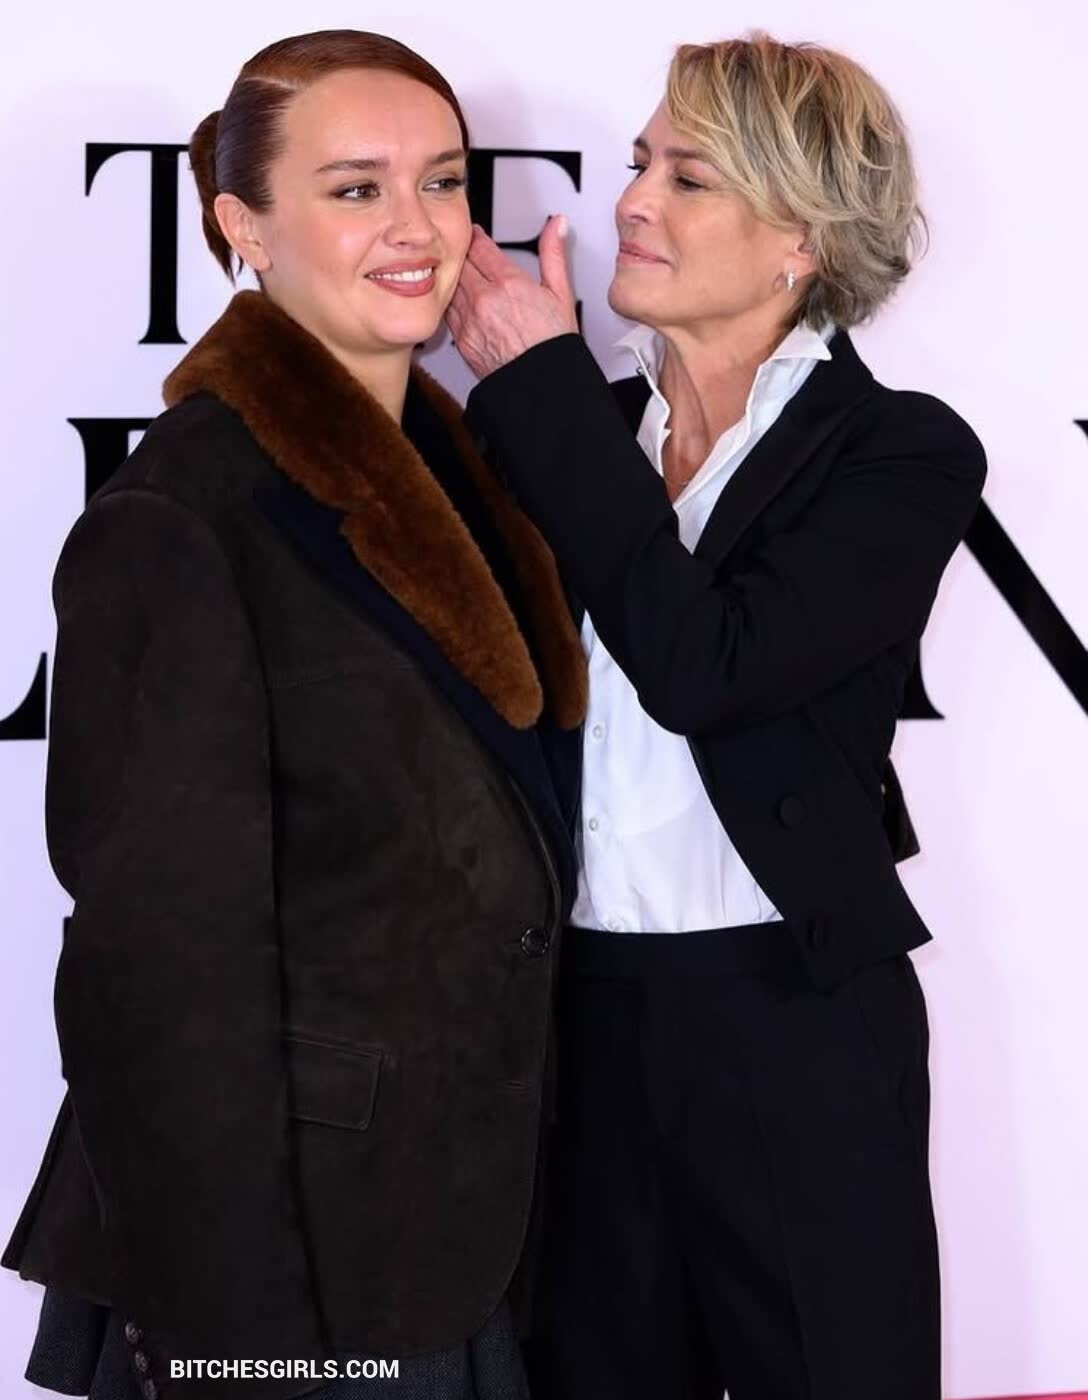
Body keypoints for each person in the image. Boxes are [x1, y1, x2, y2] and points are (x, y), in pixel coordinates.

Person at [2, 29, 587, 1400]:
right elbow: (156, 982)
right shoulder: (184, 513)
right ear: (242, 226)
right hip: (292, 1273)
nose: (416, 227)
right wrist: (235, 1346)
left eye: (442, 182)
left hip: (465, 1224)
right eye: (355, 188)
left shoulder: (462, 476)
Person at [447, 32, 987, 1400]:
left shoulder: (899, 452)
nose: (632, 201)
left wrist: (541, 396)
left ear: (801, 236)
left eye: (688, 178)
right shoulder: (569, 428)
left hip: (794, 1025)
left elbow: (708, 670)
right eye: (641, 164)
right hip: (577, 1025)